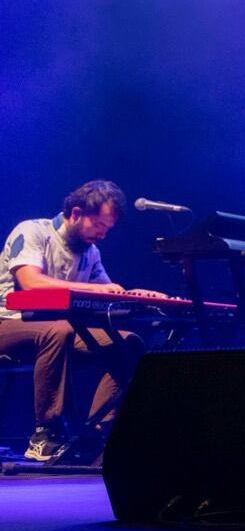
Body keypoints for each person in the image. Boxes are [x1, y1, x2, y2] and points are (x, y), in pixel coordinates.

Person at [0, 180, 146, 461]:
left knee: (129, 344)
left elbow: (107, 292)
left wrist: (139, 294)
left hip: (60, 330)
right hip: (8, 323)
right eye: (98, 225)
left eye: (107, 229)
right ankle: (45, 435)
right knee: (58, 331)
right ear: (76, 213)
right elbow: (30, 282)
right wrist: (95, 289)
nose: (102, 234)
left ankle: (95, 432)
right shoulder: (33, 231)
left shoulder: (91, 252)